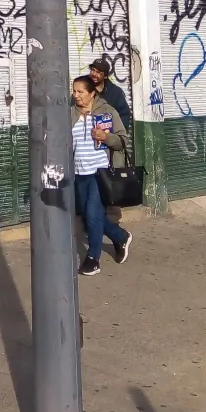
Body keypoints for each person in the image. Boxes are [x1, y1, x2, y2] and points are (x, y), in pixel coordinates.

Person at [71, 74, 132, 276]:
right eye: (74, 91)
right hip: (80, 173)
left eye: (80, 92)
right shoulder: (70, 114)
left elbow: (123, 141)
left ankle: (93, 259)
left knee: (92, 213)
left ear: (91, 93)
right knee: (91, 214)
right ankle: (120, 236)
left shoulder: (107, 111)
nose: (76, 95)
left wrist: (106, 137)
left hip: (101, 172)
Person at [89, 57, 132, 132]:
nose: (94, 74)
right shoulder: (82, 89)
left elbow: (124, 114)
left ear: (105, 76)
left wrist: (116, 134)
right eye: (93, 70)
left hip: (108, 136)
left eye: (98, 72)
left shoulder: (115, 92)